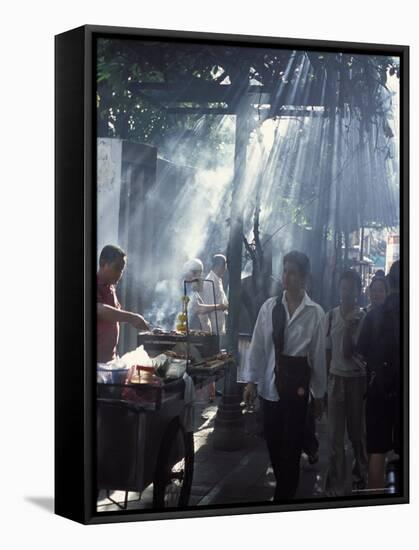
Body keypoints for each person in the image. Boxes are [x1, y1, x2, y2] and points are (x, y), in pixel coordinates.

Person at [242, 251, 326, 500]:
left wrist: (319, 396)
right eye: (284, 271)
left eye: (292, 272)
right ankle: (284, 488)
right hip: (270, 389)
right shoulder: (270, 308)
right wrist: (251, 381)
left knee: (290, 450)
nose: (286, 277)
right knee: (275, 447)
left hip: (298, 392)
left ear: (304, 277)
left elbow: (318, 357)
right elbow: (257, 346)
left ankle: (283, 498)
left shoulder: (315, 314)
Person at [357, 260, 400, 492]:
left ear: (389, 283)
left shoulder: (374, 315)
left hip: (378, 390)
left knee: (376, 451)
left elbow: (360, 352)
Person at [324, 270, 368, 496]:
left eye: (351, 288)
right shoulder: (330, 316)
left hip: (356, 382)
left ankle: (360, 475)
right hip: (335, 380)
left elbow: (353, 350)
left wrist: (351, 327)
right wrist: (326, 381)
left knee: (356, 435)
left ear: (358, 291)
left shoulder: (363, 317)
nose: (346, 292)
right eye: (343, 287)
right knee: (334, 437)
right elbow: (328, 351)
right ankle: (336, 485)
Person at [97, 244, 149, 363]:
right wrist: (132, 318)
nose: (120, 274)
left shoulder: (111, 288)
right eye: (116, 268)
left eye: (122, 270)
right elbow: (100, 309)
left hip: (110, 360)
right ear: (103, 263)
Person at [183, 258, 228, 333]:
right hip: (185, 328)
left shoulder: (193, 288)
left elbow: (201, 305)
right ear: (190, 272)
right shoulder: (185, 287)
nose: (199, 276)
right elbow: (199, 309)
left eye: (200, 273)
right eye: (197, 273)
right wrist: (219, 306)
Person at [202, 254, 229, 336]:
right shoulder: (210, 281)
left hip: (219, 326)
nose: (226, 269)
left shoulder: (218, 280)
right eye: (225, 265)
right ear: (220, 266)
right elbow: (207, 306)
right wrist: (221, 306)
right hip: (213, 330)